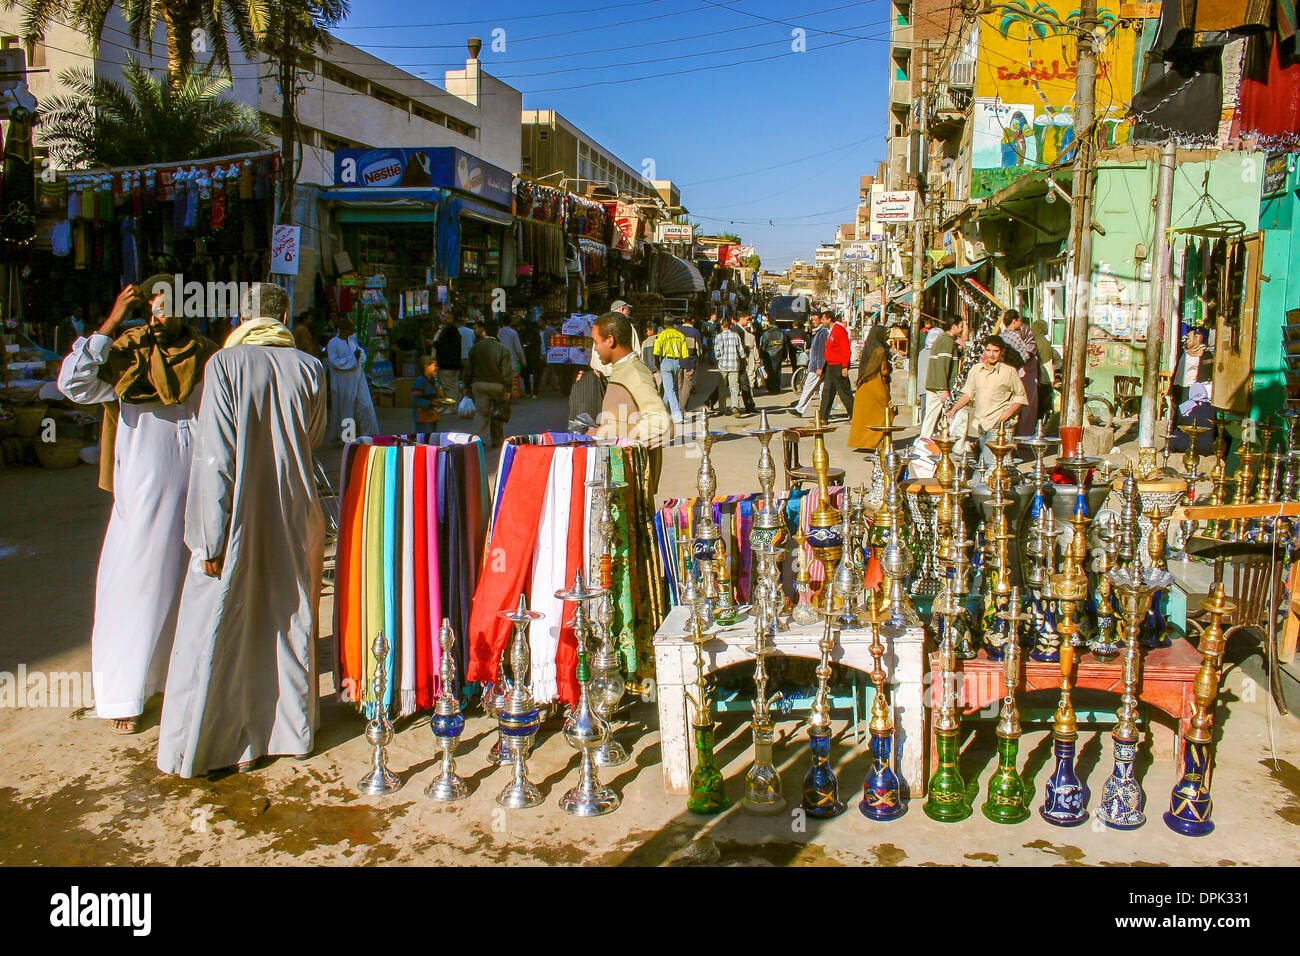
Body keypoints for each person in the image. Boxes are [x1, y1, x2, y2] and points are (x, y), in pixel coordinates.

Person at [157, 283, 326, 777]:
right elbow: (313, 437)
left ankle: (221, 742)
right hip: (295, 510)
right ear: (283, 316)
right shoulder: (309, 367)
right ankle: (290, 732)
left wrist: (209, 537)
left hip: (236, 518)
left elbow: (216, 458)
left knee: (222, 624)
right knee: (288, 616)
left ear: (240, 317)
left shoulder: (224, 366)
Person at [57, 279, 218, 736]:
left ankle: (176, 683)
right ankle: (124, 692)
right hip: (145, 482)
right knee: (137, 579)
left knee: (193, 579)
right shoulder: (125, 351)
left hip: (196, 477)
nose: (161, 317)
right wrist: (109, 322)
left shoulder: (203, 351)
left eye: (172, 308)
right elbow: (73, 384)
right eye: (154, 308)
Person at [589, 310, 673, 492]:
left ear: (610, 340)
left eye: (596, 342)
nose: (595, 349)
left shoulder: (634, 374)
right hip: (624, 480)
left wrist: (605, 432)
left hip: (633, 486)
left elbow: (663, 426)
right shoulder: (622, 370)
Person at [946, 336, 1027, 467]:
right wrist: (954, 409)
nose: (991, 354)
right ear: (984, 350)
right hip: (981, 424)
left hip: (1000, 425)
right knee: (987, 464)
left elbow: (1021, 397)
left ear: (1001, 352)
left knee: (987, 466)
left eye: (995, 351)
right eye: (988, 350)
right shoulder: (976, 370)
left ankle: (980, 483)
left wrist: (1007, 414)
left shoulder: (1009, 372)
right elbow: (968, 393)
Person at [461, 319, 515, 448]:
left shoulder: (475, 348)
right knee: (498, 412)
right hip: (498, 386)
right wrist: (508, 389)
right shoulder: (502, 349)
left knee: (482, 413)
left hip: (478, 385)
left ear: (484, 332)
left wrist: (466, 386)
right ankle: (497, 441)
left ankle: (477, 441)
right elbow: (507, 371)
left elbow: (469, 369)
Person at [326, 318, 378, 443]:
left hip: (358, 377)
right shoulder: (333, 343)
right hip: (343, 381)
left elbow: (361, 355)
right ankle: (347, 437)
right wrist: (352, 359)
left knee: (365, 404)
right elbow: (334, 362)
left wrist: (358, 357)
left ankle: (369, 432)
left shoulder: (352, 341)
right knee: (346, 408)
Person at [920, 317, 969, 450]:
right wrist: (944, 389)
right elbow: (942, 366)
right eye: (960, 325)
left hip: (935, 385)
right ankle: (957, 447)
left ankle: (924, 443)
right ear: (954, 326)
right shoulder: (946, 342)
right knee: (960, 414)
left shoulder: (944, 341)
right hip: (941, 387)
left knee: (931, 417)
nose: (962, 328)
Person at [847, 324, 892, 451]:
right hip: (876, 386)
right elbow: (884, 370)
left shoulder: (868, 348)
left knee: (864, 417)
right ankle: (877, 441)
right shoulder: (880, 350)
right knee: (884, 413)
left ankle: (863, 442)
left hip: (863, 386)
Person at [998, 309, 1040, 439]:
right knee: (1018, 407)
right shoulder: (1016, 338)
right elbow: (1024, 356)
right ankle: (1017, 438)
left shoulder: (1000, 337)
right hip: (1015, 376)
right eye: (1019, 321)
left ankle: (999, 435)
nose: (1021, 325)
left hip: (999, 376)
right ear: (1014, 321)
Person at [653, 316, 690, 424]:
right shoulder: (681, 335)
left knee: (669, 389)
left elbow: (656, 353)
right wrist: (688, 367)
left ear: (664, 324)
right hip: (677, 363)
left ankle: (677, 415)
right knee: (670, 387)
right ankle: (662, 410)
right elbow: (685, 354)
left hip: (666, 361)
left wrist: (658, 365)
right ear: (674, 324)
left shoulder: (661, 335)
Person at [819, 310, 854, 422]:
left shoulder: (839, 330)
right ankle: (823, 417)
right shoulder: (830, 331)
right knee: (827, 391)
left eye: (823, 319)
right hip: (830, 365)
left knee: (844, 392)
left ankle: (854, 415)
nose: (822, 321)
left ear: (829, 319)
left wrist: (845, 366)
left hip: (838, 365)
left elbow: (846, 349)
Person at [795, 310, 829, 416]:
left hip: (816, 367)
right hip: (818, 366)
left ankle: (799, 409)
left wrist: (819, 366)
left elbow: (821, 351)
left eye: (815, 320)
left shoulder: (822, 332)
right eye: (812, 320)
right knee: (823, 391)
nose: (813, 322)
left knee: (808, 387)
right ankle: (825, 412)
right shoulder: (818, 332)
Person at [713, 316, 746, 417]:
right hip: (734, 365)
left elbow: (717, 351)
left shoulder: (718, 337)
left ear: (722, 326)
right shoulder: (735, 336)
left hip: (723, 366)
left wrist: (719, 358)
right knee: (734, 387)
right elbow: (741, 351)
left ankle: (722, 408)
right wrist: (743, 359)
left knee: (722, 387)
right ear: (730, 326)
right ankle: (735, 406)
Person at [433, 310, 464, 399]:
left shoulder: (447, 330)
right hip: (454, 363)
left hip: (447, 363)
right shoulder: (454, 330)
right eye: (445, 317)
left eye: (448, 318)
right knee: (453, 385)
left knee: (448, 386)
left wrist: (433, 343)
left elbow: (441, 345)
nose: (445, 319)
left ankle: (450, 405)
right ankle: (452, 405)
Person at [412, 355, 448, 431]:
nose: (436, 368)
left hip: (431, 414)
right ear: (426, 366)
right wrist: (431, 403)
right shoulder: (420, 381)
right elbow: (415, 400)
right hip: (423, 416)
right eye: (434, 365)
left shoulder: (432, 380)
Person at [736, 314, 761, 413]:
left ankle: (749, 405)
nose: (748, 321)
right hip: (737, 361)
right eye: (747, 319)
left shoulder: (741, 330)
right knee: (729, 382)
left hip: (741, 361)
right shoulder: (737, 330)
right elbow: (738, 346)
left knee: (744, 383)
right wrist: (747, 348)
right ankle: (748, 405)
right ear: (741, 318)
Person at [678, 315, 702, 413]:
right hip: (691, 362)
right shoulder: (695, 332)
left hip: (678, 360)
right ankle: (682, 407)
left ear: (683, 320)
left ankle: (678, 404)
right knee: (687, 385)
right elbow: (699, 349)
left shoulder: (677, 330)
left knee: (679, 384)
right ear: (693, 320)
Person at [518, 317, 544, 398]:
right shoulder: (534, 332)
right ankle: (534, 392)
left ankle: (529, 392)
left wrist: (526, 346)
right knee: (534, 375)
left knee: (527, 375)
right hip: (533, 356)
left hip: (528, 356)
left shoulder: (522, 333)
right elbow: (538, 344)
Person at [760, 320, 787, 395]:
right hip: (779, 355)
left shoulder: (767, 333)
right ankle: (776, 388)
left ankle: (771, 388)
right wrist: (784, 356)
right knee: (777, 372)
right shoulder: (782, 333)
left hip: (768, 355)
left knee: (769, 371)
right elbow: (785, 346)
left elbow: (764, 345)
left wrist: (762, 355)